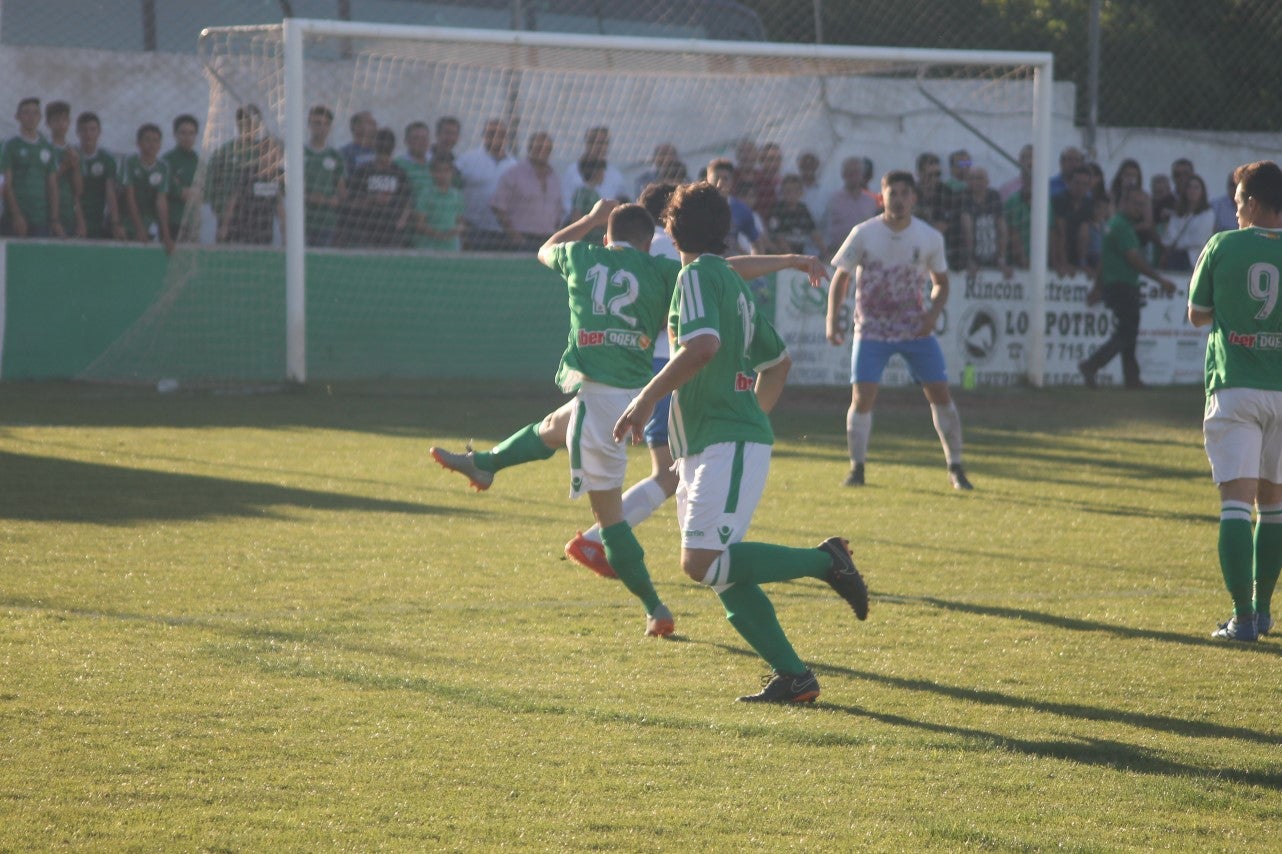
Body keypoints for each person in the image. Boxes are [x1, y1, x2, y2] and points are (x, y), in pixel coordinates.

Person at [613, 180, 868, 704]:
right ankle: (795, 678)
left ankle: (828, 561)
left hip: (724, 446)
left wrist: (643, 401)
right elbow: (778, 364)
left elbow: (702, 347)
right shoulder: (726, 282)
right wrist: (750, 415)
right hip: (712, 446)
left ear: (669, 227)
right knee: (720, 572)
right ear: (726, 232)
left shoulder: (697, 280)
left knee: (700, 562)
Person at [434, 199, 683, 637]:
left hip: (603, 402)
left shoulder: (583, 255)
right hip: (632, 395)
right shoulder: (662, 271)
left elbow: (546, 248)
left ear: (607, 237)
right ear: (648, 244)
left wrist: (588, 219)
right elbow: (671, 316)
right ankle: (485, 465)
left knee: (610, 523)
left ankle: (655, 606)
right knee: (554, 427)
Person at [825, 170, 973, 491]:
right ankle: (857, 468)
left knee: (940, 393)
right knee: (863, 397)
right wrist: (832, 320)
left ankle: (956, 466)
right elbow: (841, 277)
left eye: (906, 193)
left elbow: (942, 284)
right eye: (893, 193)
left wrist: (932, 315)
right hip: (872, 330)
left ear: (914, 198)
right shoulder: (864, 233)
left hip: (914, 330)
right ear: (883, 197)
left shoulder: (930, 237)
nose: (900, 199)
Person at [564, 181, 681, 578]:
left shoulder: (608, 253)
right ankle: (601, 537)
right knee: (674, 472)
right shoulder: (674, 253)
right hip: (670, 371)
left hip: (637, 369)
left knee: (671, 470)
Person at [1188, 159, 1282, 642]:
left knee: (1234, 506)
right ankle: (1264, 612)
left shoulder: (1222, 245)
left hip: (1236, 388)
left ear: (1256, 202)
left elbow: (1197, 315)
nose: (1236, 206)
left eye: (1240, 198)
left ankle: (1242, 618)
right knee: (1274, 507)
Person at [1077, 187, 1177, 389]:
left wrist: (1098, 286)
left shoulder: (1116, 225)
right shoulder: (1122, 226)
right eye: (1136, 203)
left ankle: (1132, 378)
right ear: (1124, 203)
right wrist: (1160, 279)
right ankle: (1092, 364)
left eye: (1143, 204)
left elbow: (1104, 261)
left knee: (1128, 333)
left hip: (1117, 284)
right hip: (1123, 284)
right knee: (1126, 332)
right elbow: (1133, 258)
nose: (1140, 208)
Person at [336, 127, 412, 248]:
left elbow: (407, 200)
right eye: (382, 154)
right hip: (365, 230)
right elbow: (349, 201)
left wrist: (401, 221)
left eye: (387, 154)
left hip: (392, 231)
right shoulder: (363, 172)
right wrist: (372, 199)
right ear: (375, 147)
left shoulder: (399, 173)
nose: (384, 160)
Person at [491, 130, 563, 252]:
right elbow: (498, 207)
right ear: (530, 148)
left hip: (548, 239)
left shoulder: (554, 177)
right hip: (522, 238)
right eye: (539, 147)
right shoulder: (513, 174)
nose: (542, 152)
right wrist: (514, 236)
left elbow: (558, 209)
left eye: (547, 149)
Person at [456, 117, 516, 250]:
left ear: (506, 137)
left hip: (505, 231)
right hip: (473, 230)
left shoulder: (514, 165)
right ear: (483, 135)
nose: (496, 137)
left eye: (501, 134)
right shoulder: (466, 161)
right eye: (491, 133)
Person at [206, 104, 265, 239]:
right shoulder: (225, 152)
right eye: (247, 123)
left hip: (260, 220)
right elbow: (210, 183)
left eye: (255, 123)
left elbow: (278, 186)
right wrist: (218, 209)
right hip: (229, 219)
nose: (251, 127)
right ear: (238, 124)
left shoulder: (265, 153)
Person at [1, 96, 57, 238]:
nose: (31, 117)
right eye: (26, 112)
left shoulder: (48, 147)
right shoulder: (10, 145)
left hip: (41, 218)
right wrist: (16, 215)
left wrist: (54, 218)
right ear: (17, 116)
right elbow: (6, 183)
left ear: (40, 117)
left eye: (35, 113)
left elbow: (52, 185)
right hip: (15, 218)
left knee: (39, 259)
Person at [217, 136, 284, 245]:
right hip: (241, 230)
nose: (272, 156)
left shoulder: (279, 177)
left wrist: (285, 234)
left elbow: (280, 207)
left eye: (276, 153)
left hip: (264, 232)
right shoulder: (248, 173)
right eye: (267, 151)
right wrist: (225, 226)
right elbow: (232, 201)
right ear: (261, 152)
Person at [120, 123, 175, 254]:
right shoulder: (130, 161)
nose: (152, 144)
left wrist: (166, 235)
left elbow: (161, 201)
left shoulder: (164, 166)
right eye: (147, 140)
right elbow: (130, 196)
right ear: (138, 143)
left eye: (156, 140)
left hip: (149, 222)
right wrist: (139, 228)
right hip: (126, 221)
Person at [74, 111, 123, 240]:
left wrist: (115, 222)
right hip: (72, 218)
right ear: (77, 132)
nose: (88, 134)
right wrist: (80, 221)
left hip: (97, 219)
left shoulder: (107, 159)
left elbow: (110, 193)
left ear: (99, 132)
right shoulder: (71, 156)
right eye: (83, 130)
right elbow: (72, 192)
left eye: (92, 129)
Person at [302, 104, 346, 247]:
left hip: (326, 222)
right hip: (301, 221)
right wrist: (308, 197)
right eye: (317, 123)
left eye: (326, 124)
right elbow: (286, 187)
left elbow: (341, 192)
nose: (321, 128)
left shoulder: (335, 156)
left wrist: (332, 200)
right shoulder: (298, 153)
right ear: (309, 124)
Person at [959, 165, 1010, 277]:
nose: (976, 182)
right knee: (967, 225)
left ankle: (1000, 259)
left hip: (992, 248)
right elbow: (966, 227)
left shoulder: (994, 196)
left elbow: (1001, 225)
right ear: (968, 181)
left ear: (987, 181)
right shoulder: (964, 197)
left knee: (1003, 227)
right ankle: (971, 260)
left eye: (979, 178)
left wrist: (1001, 257)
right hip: (974, 250)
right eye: (972, 178)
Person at [822, 156, 879, 256]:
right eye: (849, 172)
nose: (852, 176)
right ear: (843, 174)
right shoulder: (833, 199)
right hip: (836, 251)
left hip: (863, 253)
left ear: (862, 175)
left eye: (856, 172)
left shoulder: (871, 201)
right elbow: (823, 227)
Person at [560, 126, 628, 208]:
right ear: (587, 144)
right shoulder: (572, 172)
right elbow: (566, 203)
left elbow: (621, 203)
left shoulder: (616, 175)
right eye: (595, 142)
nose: (599, 147)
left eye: (603, 143)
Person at [706, 158, 762, 253]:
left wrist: (754, 265)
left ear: (732, 182)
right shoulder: (697, 206)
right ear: (707, 179)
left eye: (725, 179)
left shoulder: (741, 210)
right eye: (716, 178)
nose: (720, 183)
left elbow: (757, 244)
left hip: (729, 265)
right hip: (703, 266)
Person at [1160, 173, 1215, 271]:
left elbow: (1200, 239)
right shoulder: (1178, 214)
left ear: (1202, 192)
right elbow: (1169, 237)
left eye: (1196, 187)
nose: (1192, 191)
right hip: (1175, 258)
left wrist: (1178, 245)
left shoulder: (1208, 214)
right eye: (1189, 187)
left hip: (1193, 260)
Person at [410, 155, 464, 251]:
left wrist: (457, 230)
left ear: (452, 172)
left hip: (451, 248)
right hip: (428, 248)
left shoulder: (457, 195)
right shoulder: (425, 195)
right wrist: (440, 235)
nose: (443, 175)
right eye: (439, 171)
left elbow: (460, 222)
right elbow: (419, 224)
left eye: (446, 170)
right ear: (432, 173)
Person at [45, 100, 80, 238]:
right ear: (48, 123)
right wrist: (64, 166)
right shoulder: (45, 148)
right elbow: (45, 182)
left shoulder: (73, 151)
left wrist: (75, 166)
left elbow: (78, 190)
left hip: (68, 212)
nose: (61, 124)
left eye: (64, 120)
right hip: (48, 211)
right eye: (56, 120)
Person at [1051, 164, 1094, 278]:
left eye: (1085, 184)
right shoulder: (1059, 200)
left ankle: (1082, 263)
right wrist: (1063, 262)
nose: (1080, 187)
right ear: (1068, 183)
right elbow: (1059, 233)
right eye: (1077, 183)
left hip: (1076, 247)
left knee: (1086, 230)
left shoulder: (1088, 203)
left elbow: (1084, 232)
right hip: (1057, 248)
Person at [162, 114, 199, 241]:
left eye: (191, 133)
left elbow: (205, 192)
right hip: (172, 221)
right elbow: (173, 190)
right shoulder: (167, 161)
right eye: (183, 133)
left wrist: (184, 189)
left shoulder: (199, 161)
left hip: (193, 223)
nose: (187, 137)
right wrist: (183, 191)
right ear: (175, 134)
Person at [766, 173, 822, 254]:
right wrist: (793, 257)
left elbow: (813, 232)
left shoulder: (803, 209)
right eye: (788, 190)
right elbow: (778, 238)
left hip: (799, 253)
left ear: (801, 192)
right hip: (782, 255)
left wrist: (825, 253)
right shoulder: (777, 210)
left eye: (796, 190)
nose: (792, 194)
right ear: (782, 192)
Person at [340, 110, 376, 176]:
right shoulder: (345, 152)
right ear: (357, 127)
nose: (375, 125)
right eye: (370, 123)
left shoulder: (380, 151)